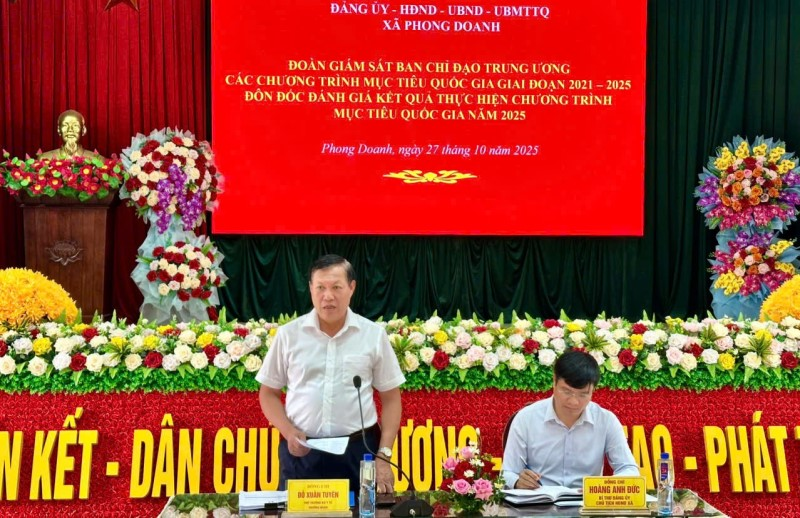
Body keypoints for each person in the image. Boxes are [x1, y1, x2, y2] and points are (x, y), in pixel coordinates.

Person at [256, 254, 406, 493]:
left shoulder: (372, 335)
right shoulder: (289, 335)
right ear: (310, 289)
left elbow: (391, 399)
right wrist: (288, 431)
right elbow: (268, 393)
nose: (328, 296)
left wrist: (384, 455)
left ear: (351, 288)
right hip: (302, 451)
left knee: (364, 510)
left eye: (336, 287)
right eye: (320, 288)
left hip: (359, 451)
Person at [502, 349, 640, 490]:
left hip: (585, 500)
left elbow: (629, 469)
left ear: (593, 390)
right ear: (554, 381)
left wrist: (601, 487)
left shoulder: (606, 420)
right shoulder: (526, 418)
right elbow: (507, 473)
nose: (574, 402)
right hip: (540, 499)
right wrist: (518, 481)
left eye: (583, 394)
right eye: (566, 391)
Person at [38, 109, 103, 160]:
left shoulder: (98, 159)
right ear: (59, 130)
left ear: (83, 130)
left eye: (75, 125)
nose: (70, 129)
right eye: (65, 125)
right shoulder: (44, 159)